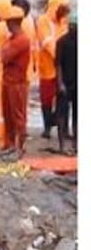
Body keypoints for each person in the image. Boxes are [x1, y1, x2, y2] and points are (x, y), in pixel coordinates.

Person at [0, 2, 32, 161]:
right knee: (8, 116)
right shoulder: (12, 39)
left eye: (8, 22)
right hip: (8, 81)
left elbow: (3, 57)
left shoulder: (21, 40)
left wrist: (2, 52)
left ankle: (20, 148)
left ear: (14, 22)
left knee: (18, 116)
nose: (6, 24)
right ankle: (10, 145)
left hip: (17, 83)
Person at [35, 0, 70, 139]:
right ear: (55, 7)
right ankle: (47, 128)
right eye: (62, 8)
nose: (65, 11)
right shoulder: (43, 21)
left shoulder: (64, 21)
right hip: (47, 66)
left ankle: (64, 129)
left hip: (63, 67)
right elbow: (47, 43)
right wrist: (62, 57)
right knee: (47, 98)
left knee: (64, 98)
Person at [54, 12, 76, 154]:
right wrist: (60, 83)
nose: (73, 28)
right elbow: (58, 64)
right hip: (65, 82)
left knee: (77, 114)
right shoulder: (61, 42)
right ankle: (62, 145)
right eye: (72, 25)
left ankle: (76, 144)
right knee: (62, 114)